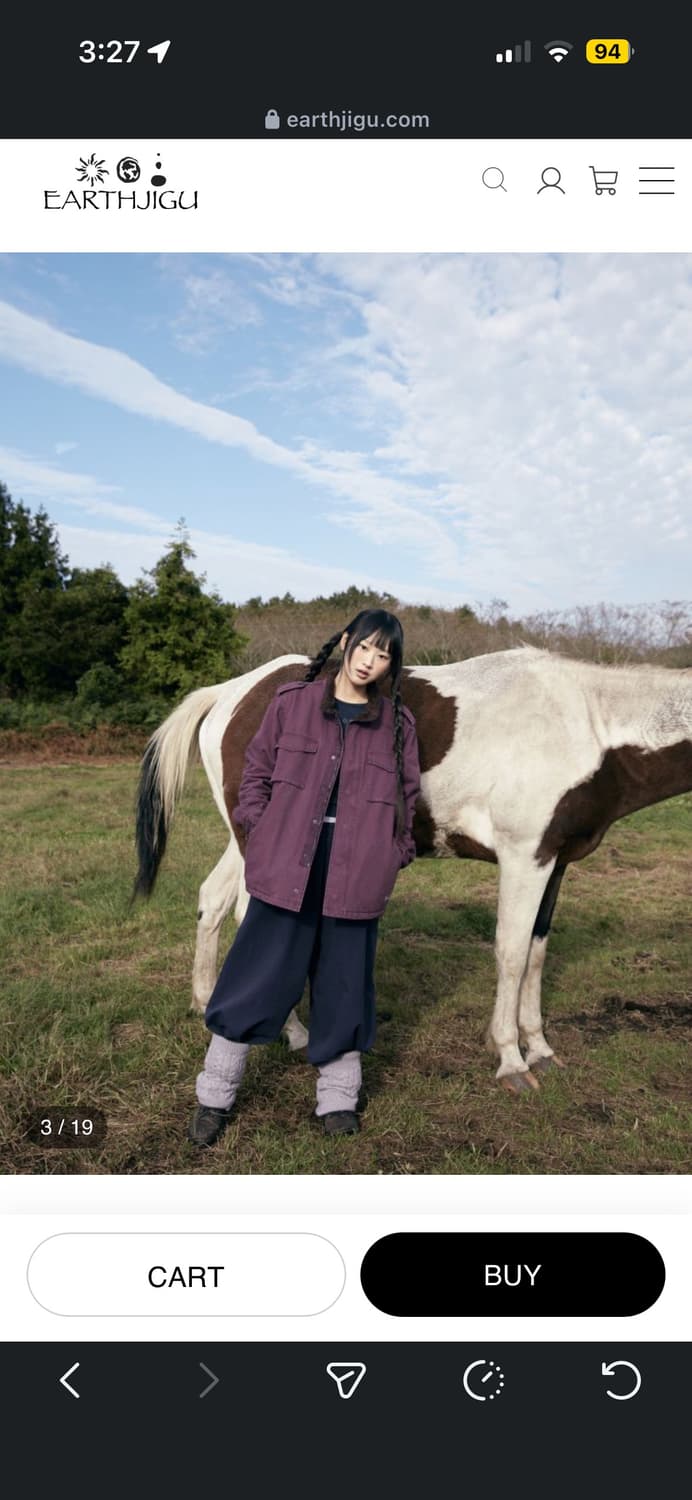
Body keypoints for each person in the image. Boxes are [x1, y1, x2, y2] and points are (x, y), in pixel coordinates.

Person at [188, 607, 421, 1146]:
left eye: (383, 655)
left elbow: (407, 803)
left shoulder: (398, 726)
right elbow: (256, 773)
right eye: (364, 647)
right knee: (254, 977)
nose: (369, 661)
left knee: (345, 986)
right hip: (286, 864)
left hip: (357, 874)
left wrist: (393, 853)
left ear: (391, 666)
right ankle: (215, 1094)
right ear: (345, 642)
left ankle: (338, 1100)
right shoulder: (291, 703)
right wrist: (259, 831)